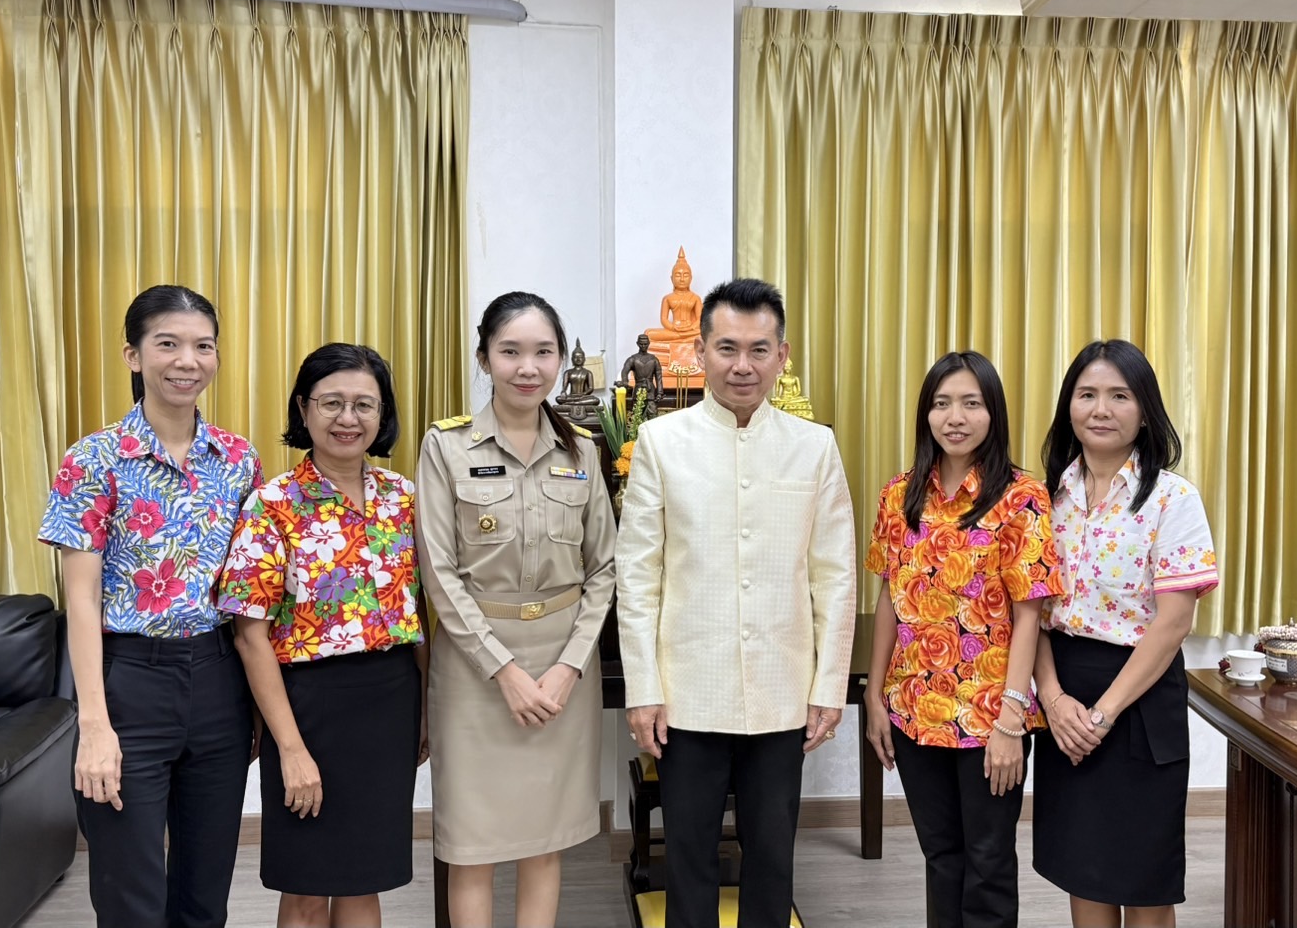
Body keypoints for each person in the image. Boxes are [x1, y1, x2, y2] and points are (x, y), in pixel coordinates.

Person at [617, 277, 857, 928]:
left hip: (782, 691)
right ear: (700, 352)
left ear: (783, 356)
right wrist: (643, 688)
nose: (742, 365)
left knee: (773, 855)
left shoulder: (815, 447)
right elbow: (638, 578)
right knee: (688, 856)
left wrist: (828, 686)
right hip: (686, 693)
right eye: (727, 348)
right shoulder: (663, 444)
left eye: (759, 349)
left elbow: (835, 575)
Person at [38, 284, 261, 928]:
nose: (186, 360)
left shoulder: (239, 459)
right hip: (129, 682)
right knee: (130, 893)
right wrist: (95, 727)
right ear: (134, 356)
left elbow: (248, 593)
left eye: (202, 346)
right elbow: (79, 601)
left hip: (220, 681)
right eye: (167, 343)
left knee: (204, 891)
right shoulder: (94, 459)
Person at [415, 291, 618, 928]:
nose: (527, 367)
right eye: (510, 352)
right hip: (476, 670)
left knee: (544, 841)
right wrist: (503, 670)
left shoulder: (582, 450)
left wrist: (568, 669)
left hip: (562, 665)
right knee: (472, 846)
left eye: (542, 352)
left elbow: (604, 569)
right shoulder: (445, 447)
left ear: (560, 360)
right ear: (485, 358)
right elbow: (438, 575)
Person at [216, 343, 429, 928]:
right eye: (331, 402)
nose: (348, 418)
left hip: (388, 702)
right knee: (306, 887)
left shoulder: (404, 500)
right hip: (306, 707)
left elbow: (423, 617)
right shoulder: (272, 504)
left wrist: (426, 708)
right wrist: (289, 748)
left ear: (383, 416)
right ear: (303, 410)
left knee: (365, 883)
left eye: (364, 404)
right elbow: (249, 636)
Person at [863, 351, 1062, 928]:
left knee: (989, 859)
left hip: (988, 718)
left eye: (971, 403)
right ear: (926, 414)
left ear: (992, 412)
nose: (956, 416)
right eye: (942, 403)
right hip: (913, 708)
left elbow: (1030, 617)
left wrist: (1009, 723)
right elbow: (888, 602)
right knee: (941, 857)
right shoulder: (899, 497)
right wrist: (875, 698)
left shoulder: (1022, 498)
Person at [1030, 340, 1220, 928]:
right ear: (1069, 407)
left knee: (1142, 879)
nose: (1101, 409)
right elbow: (1030, 610)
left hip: (1138, 699)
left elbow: (1174, 623)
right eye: (1087, 395)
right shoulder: (1046, 498)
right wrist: (1055, 700)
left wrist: (1102, 714)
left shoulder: (1172, 498)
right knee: (1083, 870)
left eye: (1120, 395)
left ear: (1145, 410)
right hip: (1063, 692)